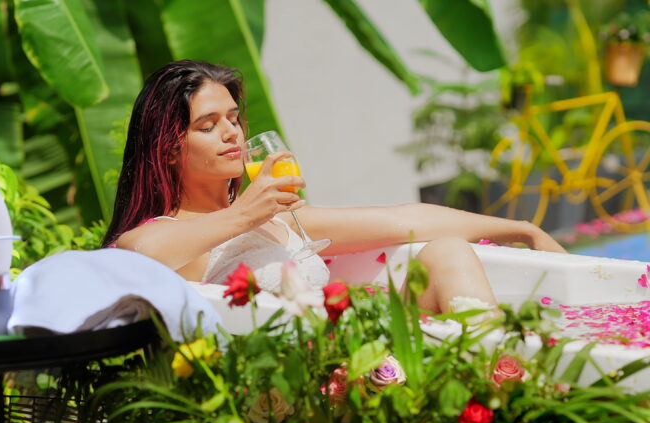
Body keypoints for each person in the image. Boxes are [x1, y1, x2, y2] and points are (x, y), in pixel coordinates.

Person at [103, 60, 566, 319]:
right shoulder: (168, 235)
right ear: (168, 149)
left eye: (233, 118)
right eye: (208, 125)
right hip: (284, 392)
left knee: (446, 251)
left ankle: (498, 382)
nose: (232, 133)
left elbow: (406, 219)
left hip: (350, 360)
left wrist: (521, 228)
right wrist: (245, 214)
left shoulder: (278, 220)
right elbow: (136, 256)